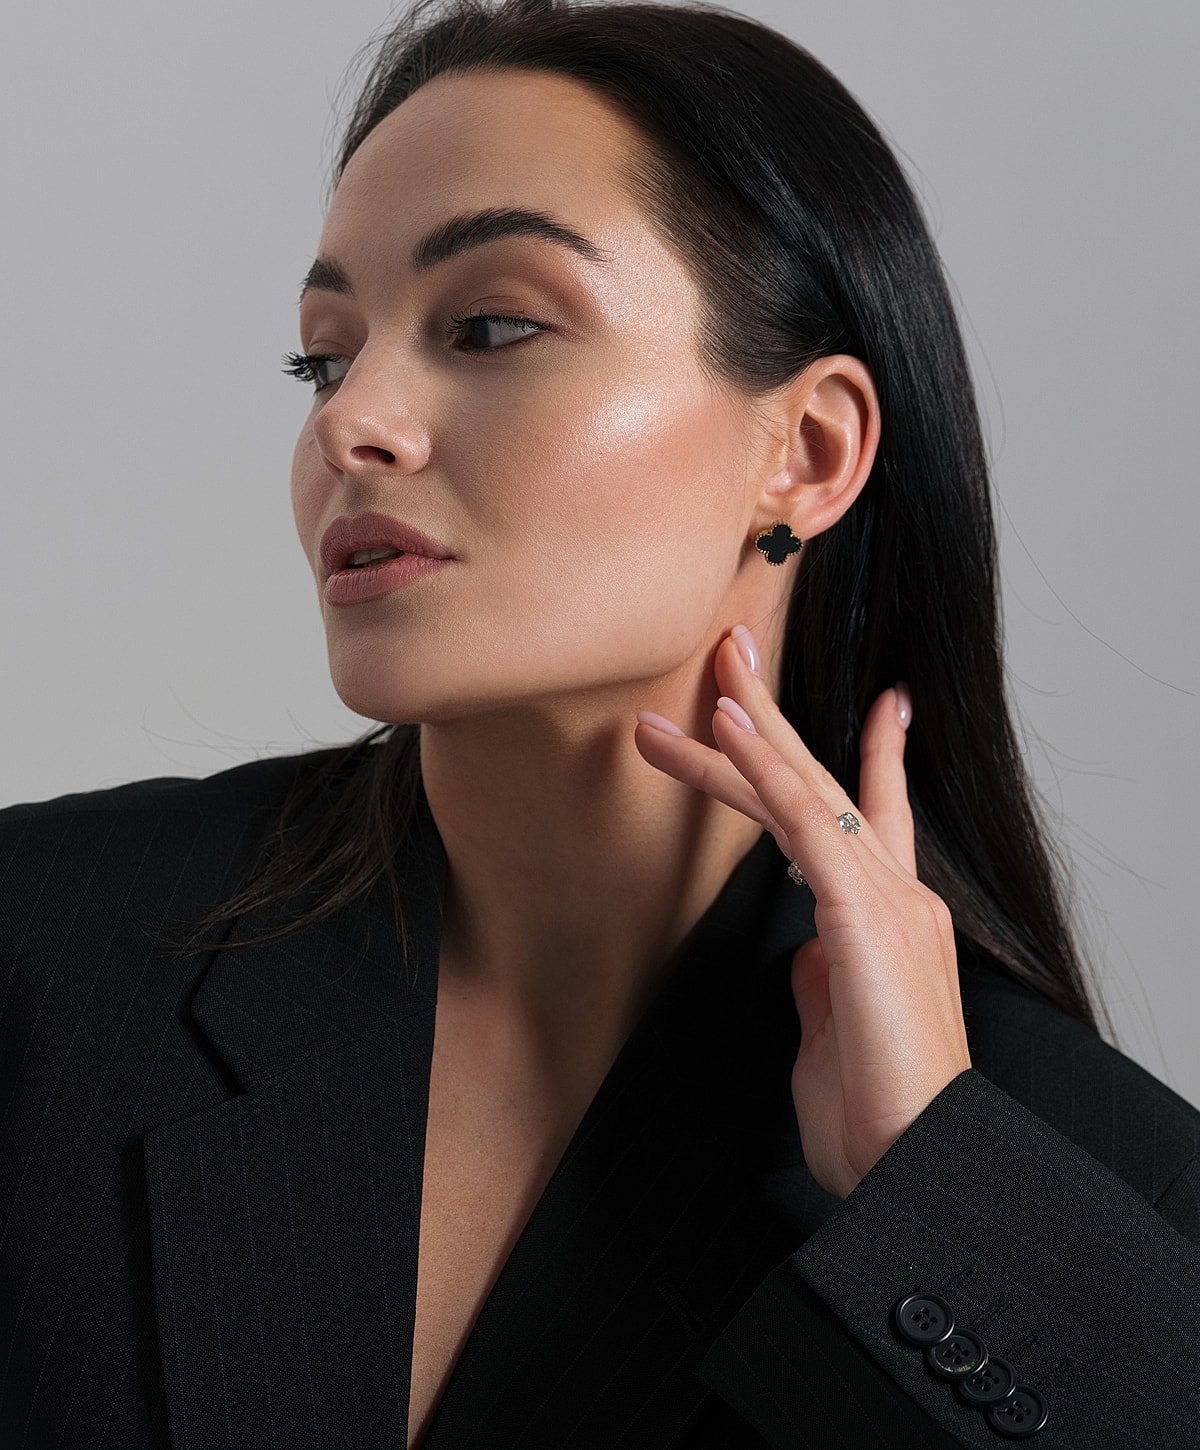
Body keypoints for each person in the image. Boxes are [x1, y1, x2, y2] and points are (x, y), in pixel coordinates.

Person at [2, 0, 1197, 1445]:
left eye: (491, 324)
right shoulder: (45, 950)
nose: (349, 422)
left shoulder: (1096, 1189)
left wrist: (929, 1188)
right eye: (322, 355)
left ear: (808, 453)